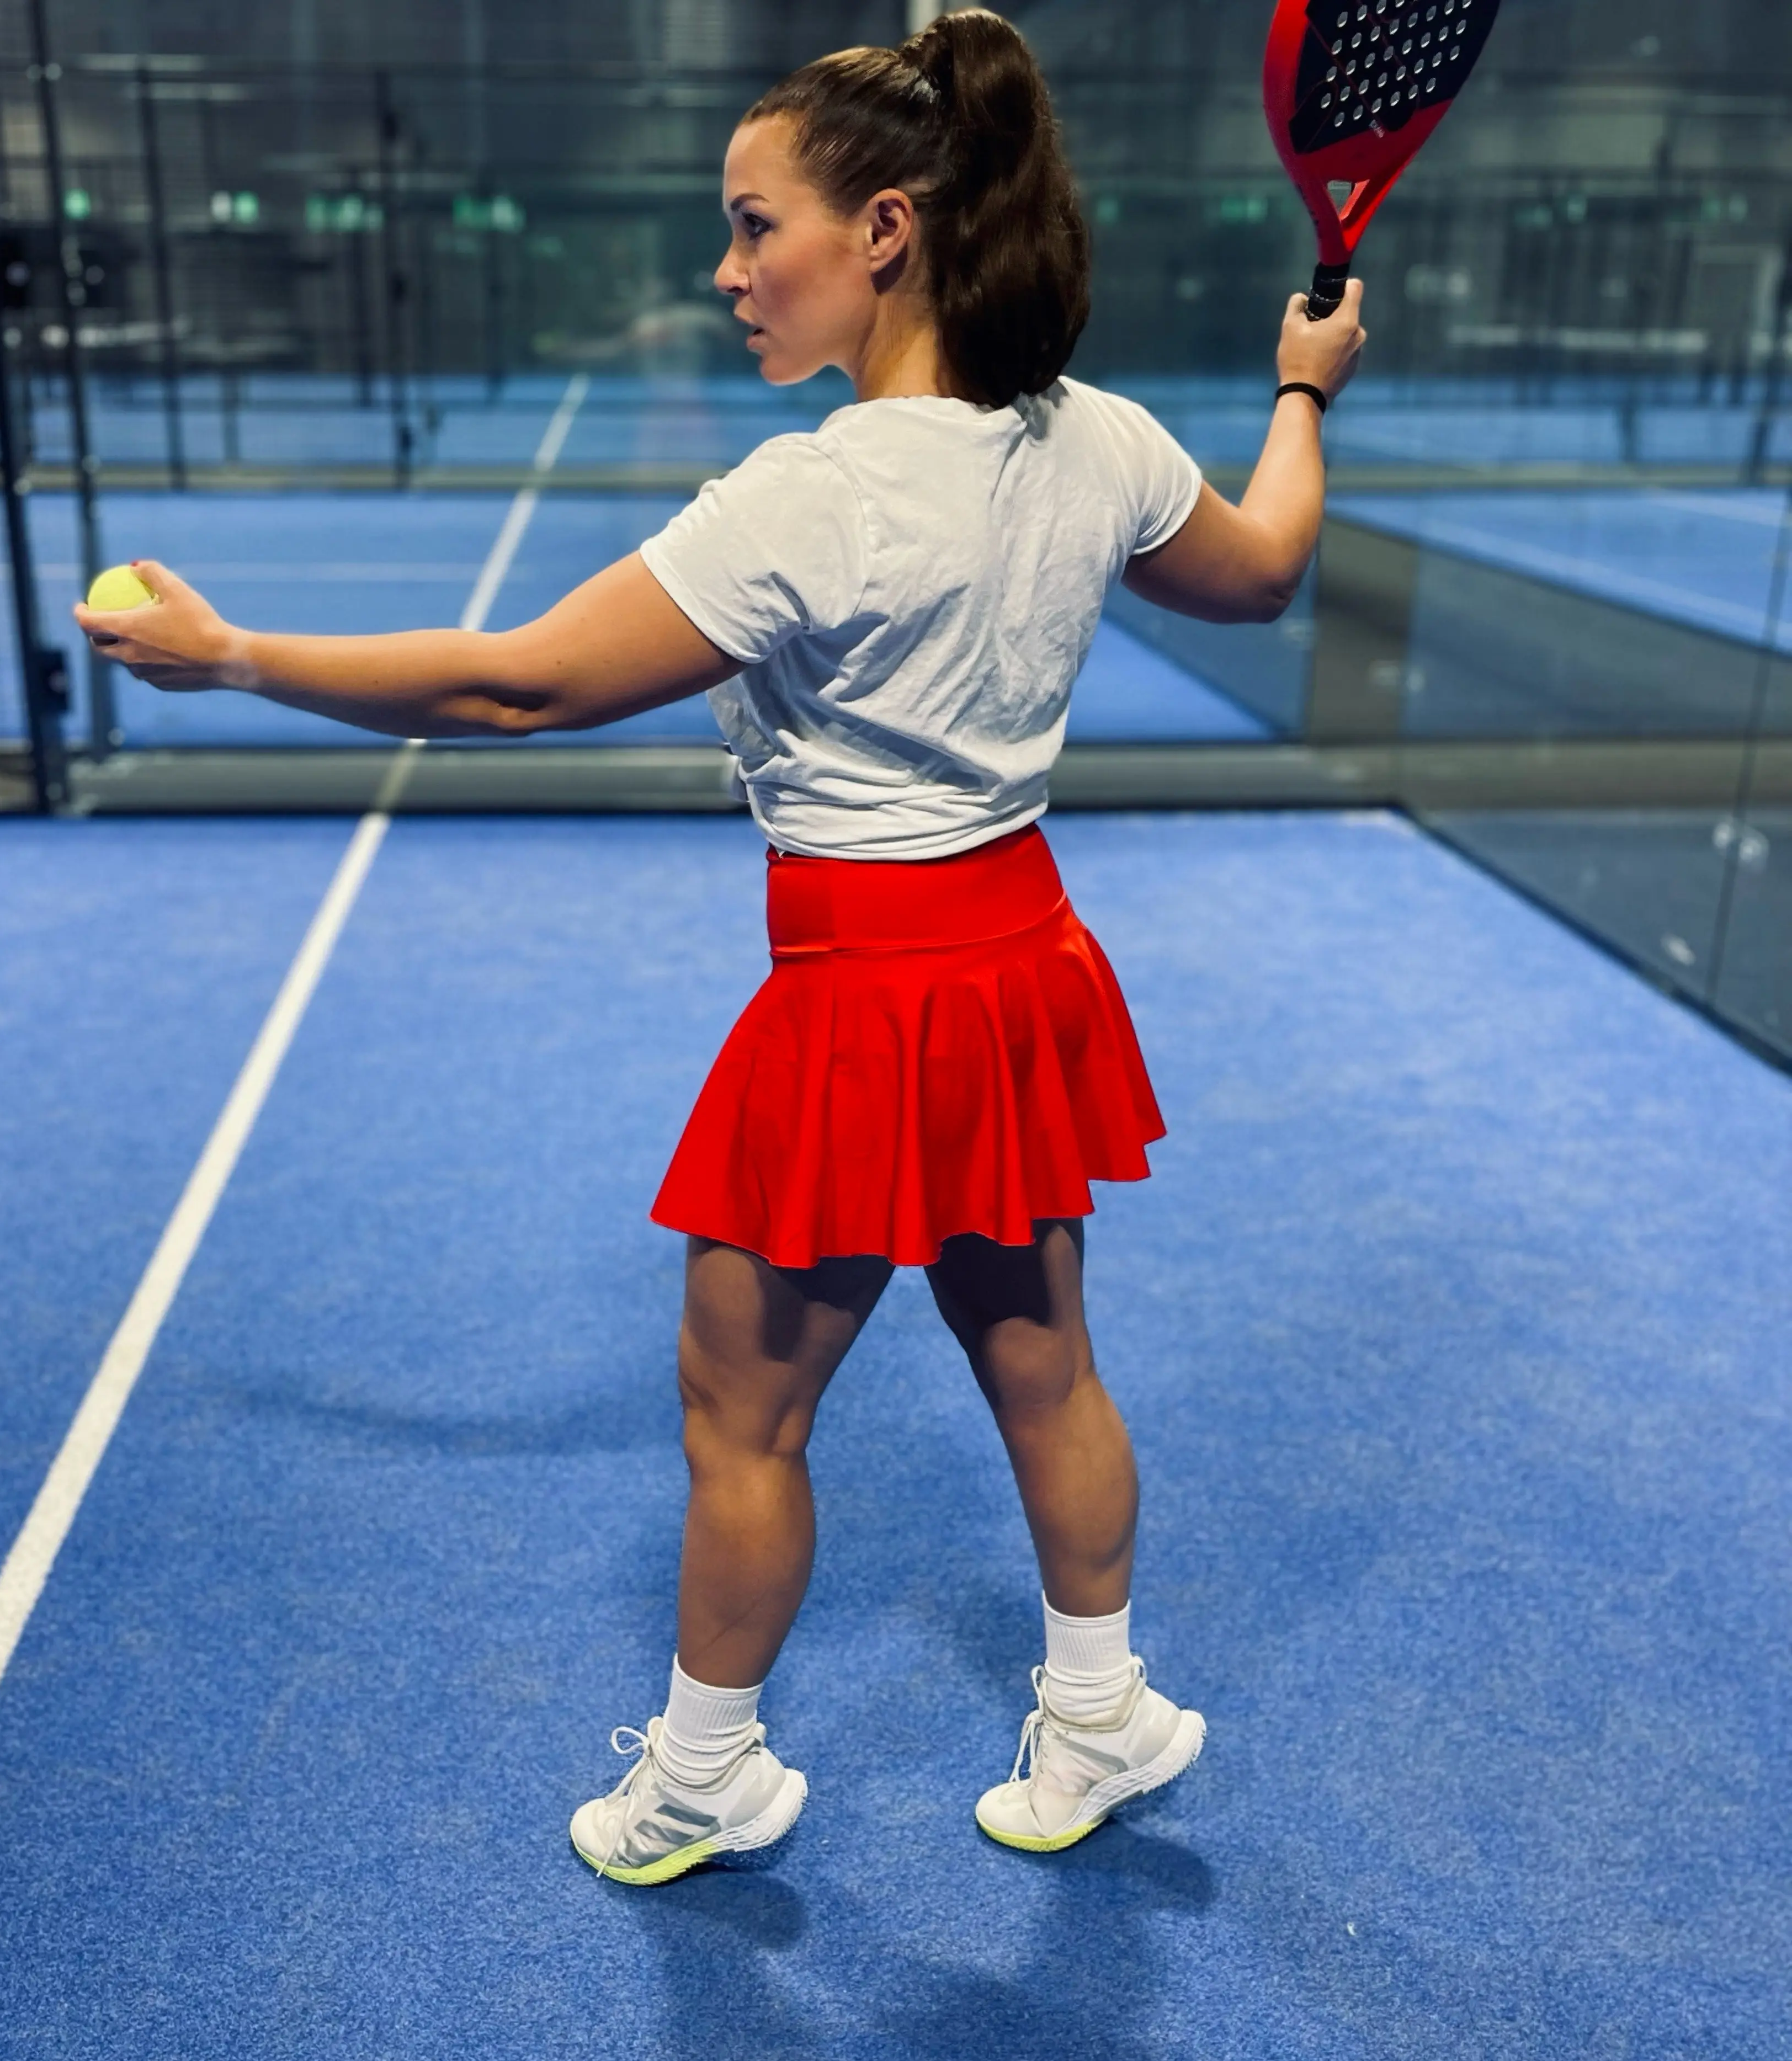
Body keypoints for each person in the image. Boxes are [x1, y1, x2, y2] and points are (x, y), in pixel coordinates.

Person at [77, 9, 1364, 1888]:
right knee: (1042, 1365)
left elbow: (515, 688)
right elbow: (1261, 571)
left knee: (740, 1410)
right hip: (1024, 966)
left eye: (759, 226)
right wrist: (1303, 387)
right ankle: (1105, 1711)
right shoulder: (1099, 440)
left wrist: (235, 659)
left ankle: (705, 1778)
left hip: (870, 997)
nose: (729, 267)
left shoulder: (816, 493)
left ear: (890, 231)